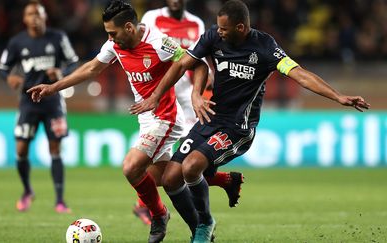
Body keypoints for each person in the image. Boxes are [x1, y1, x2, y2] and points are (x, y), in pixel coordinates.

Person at [129, 0, 370, 242]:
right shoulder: (213, 36)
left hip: (238, 128)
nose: (219, 32)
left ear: (241, 27)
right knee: (171, 177)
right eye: (218, 28)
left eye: (224, 29)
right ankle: (201, 227)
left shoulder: (265, 46)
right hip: (210, 117)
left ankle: (204, 224)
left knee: (191, 167)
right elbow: (186, 63)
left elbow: (300, 74)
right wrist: (194, 94)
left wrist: (338, 96)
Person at [27, 1, 207, 242]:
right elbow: (91, 68)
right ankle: (201, 228)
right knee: (168, 179)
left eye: (113, 32)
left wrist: (168, 95)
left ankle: (159, 215)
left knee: (131, 167)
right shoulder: (114, 44)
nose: (110, 38)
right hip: (146, 119)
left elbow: (190, 61)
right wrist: (53, 88)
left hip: (166, 117)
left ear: (130, 27)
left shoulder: (158, 42)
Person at [132, 0, 244, 225]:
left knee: (190, 159)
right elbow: (140, 49)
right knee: (156, 156)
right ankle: (144, 204)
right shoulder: (152, 18)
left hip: (189, 93)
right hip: (163, 92)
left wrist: (208, 77)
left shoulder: (196, 23)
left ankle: (149, 206)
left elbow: (203, 54)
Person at [0, 0, 78, 213]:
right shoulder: (16, 42)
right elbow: (2, 68)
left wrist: (62, 74)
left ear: (45, 17)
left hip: (53, 102)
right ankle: (27, 191)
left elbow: (74, 63)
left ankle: (60, 200)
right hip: (27, 102)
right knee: (21, 149)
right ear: (24, 19)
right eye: (30, 14)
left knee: (55, 149)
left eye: (38, 13)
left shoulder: (58, 38)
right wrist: (10, 78)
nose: (34, 17)